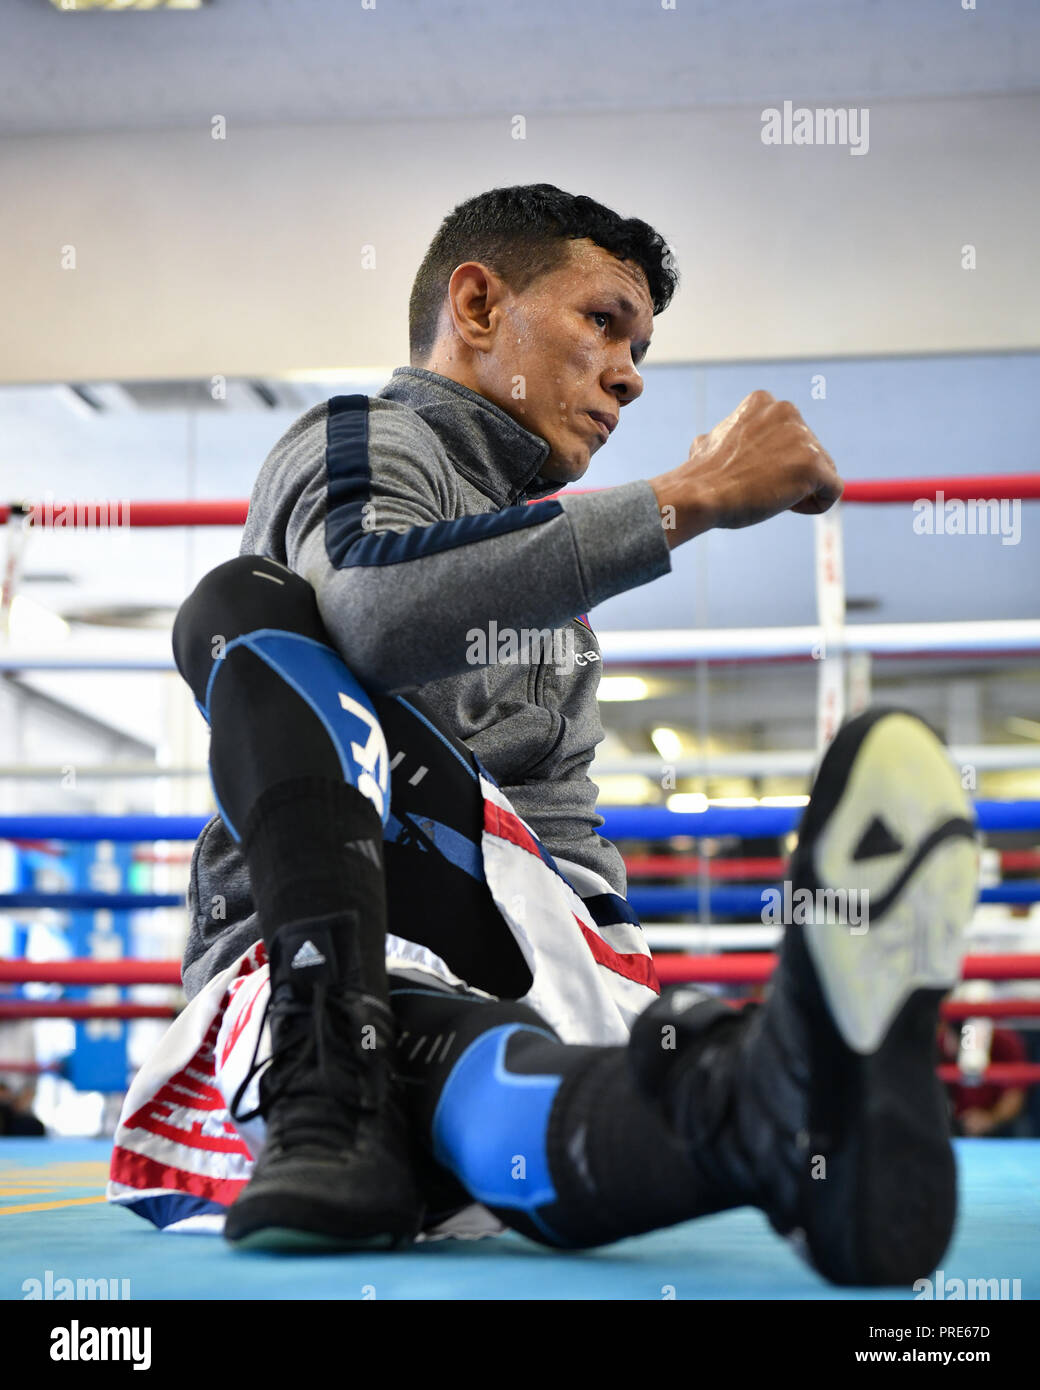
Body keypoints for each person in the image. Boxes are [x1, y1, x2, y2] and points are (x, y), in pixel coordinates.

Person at [160, 184, 979, 1284]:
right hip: (337, 959)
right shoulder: (365, 441)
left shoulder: (551, 597)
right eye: (602, 322)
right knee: (243, 605)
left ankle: (764, 1092)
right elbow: (366, 608)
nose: (629, 373)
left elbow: (552, 846)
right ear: (478, 303)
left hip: (529, 958)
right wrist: (684, 497)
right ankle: (763, 1115)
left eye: (636, 345)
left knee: (455, 1061)